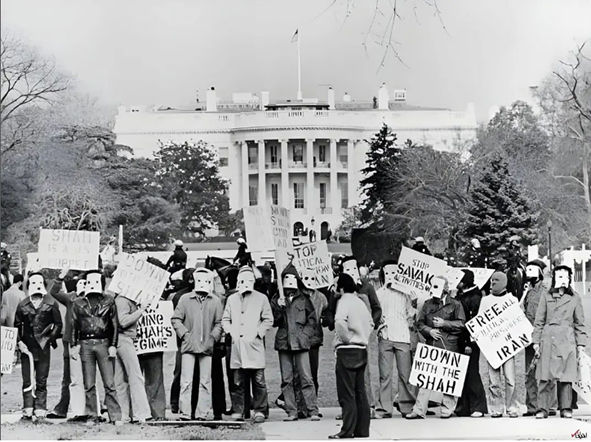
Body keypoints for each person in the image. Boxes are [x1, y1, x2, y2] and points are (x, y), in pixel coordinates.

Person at [406, 276, 465, 420]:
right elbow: (419, 323)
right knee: (425, 378)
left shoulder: (456, 305)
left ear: (446, 288)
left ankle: (447, 409)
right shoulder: (427, 304)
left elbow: (461, 324)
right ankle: (419, 409)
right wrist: (429, 330)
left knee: (448, 378)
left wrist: (444, 323)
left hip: (449, 345)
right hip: (431, 345)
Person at [533, 265, 587, 419]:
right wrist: (536, 342)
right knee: (544, 375)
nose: (562, 279)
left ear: (569, 278)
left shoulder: (575, 297)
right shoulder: (546, 295)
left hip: (566, 340)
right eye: (559, 276)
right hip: (548, 338)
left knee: (566, 376)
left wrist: (581, 345)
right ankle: (542, 408)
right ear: (554, 278)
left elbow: (579, 323)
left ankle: (565, 407)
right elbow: (539, 320)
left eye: (565, 276)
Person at [222, 266, 273, 423]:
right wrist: (231, 332)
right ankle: (239, 410)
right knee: (238, 381)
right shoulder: (232, 299)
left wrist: (259, 332)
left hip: (254, 345)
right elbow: (225, 319)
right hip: (238, 346)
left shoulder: (262, 298)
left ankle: (260, 410)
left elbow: (268, 319)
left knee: (258, 381)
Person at [71, 270, 123, 425]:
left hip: (103, 343)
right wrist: (75, 345)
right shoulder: (78, 303)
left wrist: (113, 345)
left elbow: (114, 324)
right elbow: (74, 325)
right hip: (86, 344)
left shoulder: (109, 301)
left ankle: (115, 416)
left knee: (109, 382)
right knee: (89, 383)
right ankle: (92, 415)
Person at [172, 268, 223, 421]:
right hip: (189, 346)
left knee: (205, 382)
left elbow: (219, 322)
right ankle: (185, 413)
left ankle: (203, 413)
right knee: (186, 381)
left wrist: (213, 337)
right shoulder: (185, 299)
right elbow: (176, 319)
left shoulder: (215, 301)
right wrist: (185, 335)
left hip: (207, 346)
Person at [271, 264, 321, 421]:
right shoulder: (276, 298)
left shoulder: (304, 298)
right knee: (287, 379)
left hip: (301, 342)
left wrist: (305, 335)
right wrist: (279, 308)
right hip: (284, 342)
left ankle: (312, 410)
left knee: (306, 377)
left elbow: (312, 319)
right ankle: (291, 411)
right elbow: (274, 321)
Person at [329, 273, 373, 439]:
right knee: (360, 392)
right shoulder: (360, 302)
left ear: (341, 287)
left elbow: (339, 322)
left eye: (335, 286)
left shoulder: (344, 301)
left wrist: (345, 339)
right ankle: (362, 429)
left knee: (347, 394)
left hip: (347, 350)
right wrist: (363, 338)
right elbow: (370, 323)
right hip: (361, 349)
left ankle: (347, 430)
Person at [14, 272, 63, 422]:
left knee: (41, 379)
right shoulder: (23, 304)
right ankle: (27, 410)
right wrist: (19, 343)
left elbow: (58, 324)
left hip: (43, 348)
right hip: (27, 348)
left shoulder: (50, 303)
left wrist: (49, 338)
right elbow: (16, 325)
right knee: (27, 379)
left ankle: (40, 409)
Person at [338, 256, 382, 419]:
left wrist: (371, 326)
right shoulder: (338, 288)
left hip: (361, 335)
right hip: (343, 336)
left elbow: (377, 308)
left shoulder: (367, 288)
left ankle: (368, 407)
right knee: (344, 374)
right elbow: (332, 313)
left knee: (364, 372)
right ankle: (347, 410)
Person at [375, 260, 416, 419]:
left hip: (402, 337)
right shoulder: (379, 294)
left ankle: (406, 407)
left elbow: (411, 314)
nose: (391, 276)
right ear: (383, 274)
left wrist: (413, 302)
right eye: (388, 273)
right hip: (385, 336)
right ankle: (385, 409)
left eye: (394, 273)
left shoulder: (405, 294)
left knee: (405, 374)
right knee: (385, 374)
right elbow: (375, 314)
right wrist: (379, 325)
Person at [46, 268, 88, 421]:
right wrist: (61, 276)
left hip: (87, 342)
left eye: (86, 283)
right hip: (70, 341)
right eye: (81, 283)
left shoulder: (95, 299)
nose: (83, 286)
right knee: (68, 376)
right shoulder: (71, 298)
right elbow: (54, 292)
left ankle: (88, 408)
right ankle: (62, 408)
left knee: (87, 376)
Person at [479, 271, 520, 418]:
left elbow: (517, 322)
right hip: (492, 346)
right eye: (492, 280)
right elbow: (480, 322)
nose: (493, 283)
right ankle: (496, 408)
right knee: (494, 380)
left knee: (510, 379)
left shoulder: (513, 300)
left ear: (504, 282)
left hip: (508, 345)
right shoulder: (485, 301)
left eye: (497, 280)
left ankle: (512, 407)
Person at [521, 259, 556, 417]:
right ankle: (532, 406)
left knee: (546, 371)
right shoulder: (526, 290)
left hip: (543, 334)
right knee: (530, 371)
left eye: (532, 270)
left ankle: (550, 405)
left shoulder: (547, 290)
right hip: (528, 335)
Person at [113, 291, 152, 423]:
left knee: (120, 379)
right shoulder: (123, 300)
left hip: (120, 340)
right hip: (124, 339)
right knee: (135, 376)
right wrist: (141, 310)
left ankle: (124, 415)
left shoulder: (121, 299)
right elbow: (123, 321)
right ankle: (141, 413)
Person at [454, 269, 488, 418]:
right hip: (462, 340)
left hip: (469, 341)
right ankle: (464, 407)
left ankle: (477, 406)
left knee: (472, 372)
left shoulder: (474, 297)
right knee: (463, 372)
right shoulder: (463, 295)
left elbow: (472, 322)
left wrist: (468, 342)